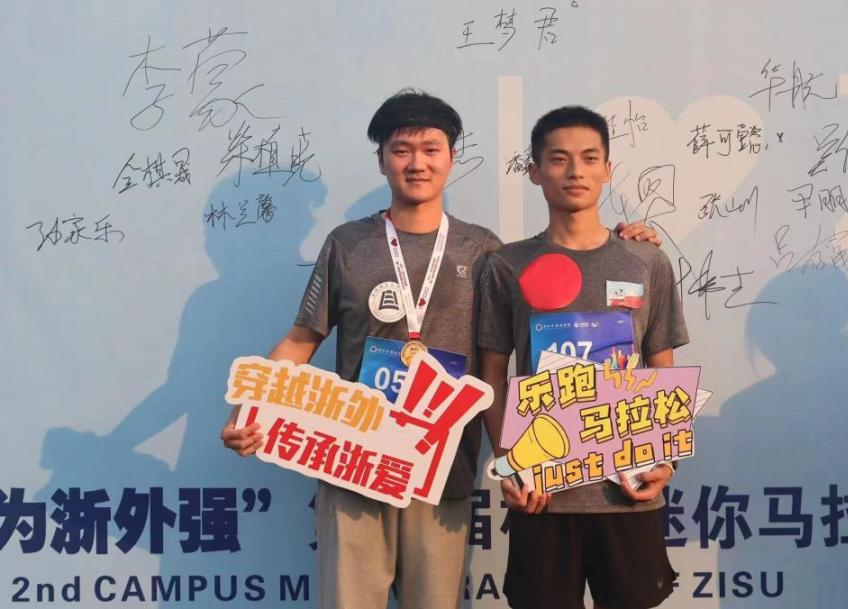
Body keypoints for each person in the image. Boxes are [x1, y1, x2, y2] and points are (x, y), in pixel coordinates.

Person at [220, 91, 660, 609]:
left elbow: (532, 328)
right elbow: (301, 339)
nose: (417, 163)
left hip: (442, 472)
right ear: (382, 160)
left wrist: (625, 243)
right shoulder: (347, 245)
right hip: (353, 466)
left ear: (452, 158)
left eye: (431, 149)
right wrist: (251, 408)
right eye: (401, 150)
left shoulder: (486, 251)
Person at [478, 105, 689, 609]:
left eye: (590, 158)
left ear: (607, 169)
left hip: (628, 490)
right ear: (535, 172)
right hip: (543, 495)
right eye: (559, 159)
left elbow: (662, 368)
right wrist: (510, 464)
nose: (575, 171)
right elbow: (491, 377)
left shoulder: (646, 260)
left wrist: (667, 458)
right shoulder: (506, 265)